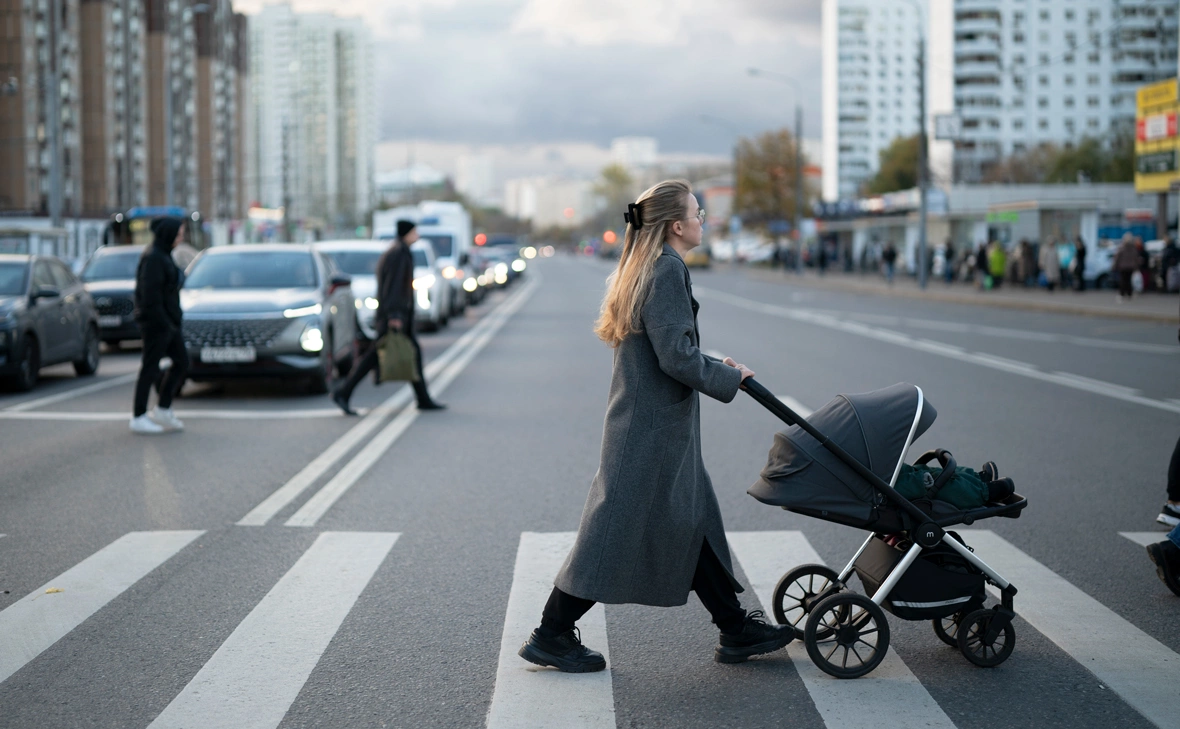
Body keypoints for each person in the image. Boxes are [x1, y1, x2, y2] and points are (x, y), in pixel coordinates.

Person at [517, 180, 796, 674]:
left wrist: (716, 363)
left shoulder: (649, 265)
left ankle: (735, 628)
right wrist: (728, 376)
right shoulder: (666, 269)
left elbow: (669, 347)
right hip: (647, 431)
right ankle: (551, 633)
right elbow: (676, 359)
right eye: (697, 211)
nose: (703, 218)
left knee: (692, 520)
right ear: (676, 224)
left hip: (655, 426)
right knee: (609, 532)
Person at [331, 220, 444, 415]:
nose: (417, 235)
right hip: (394, 316)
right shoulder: (398, 255)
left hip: (397, 315)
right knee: (380, 356)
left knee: (408, 354)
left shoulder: (399, 252)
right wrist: (394, 315)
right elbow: (393, 288)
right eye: (414, 232)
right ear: (407, 233)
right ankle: (343, 392)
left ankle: (423, 398)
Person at [130, 217, 189, 435]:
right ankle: (138, 416)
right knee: (150, 368)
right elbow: (150, 297)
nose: (181, 237)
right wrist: (165, 324)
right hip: (156, 323)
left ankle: (163, 408)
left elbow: (173, 285)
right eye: (179, 233)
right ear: (169, 234)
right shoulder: (154, 257)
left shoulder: (163, 254)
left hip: (168, 323)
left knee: (182, 362)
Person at [1113, 233, 1140, 300]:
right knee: (1129, 280)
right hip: (1130, 267)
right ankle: (1129, 293)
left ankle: (1122, 294)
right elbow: (1136, 258)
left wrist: (1115, 266)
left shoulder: (1122, 247)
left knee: (1123, 280)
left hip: (1123, 266)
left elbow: (1117, 257)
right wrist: (1136, 266)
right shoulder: (1133, 248)